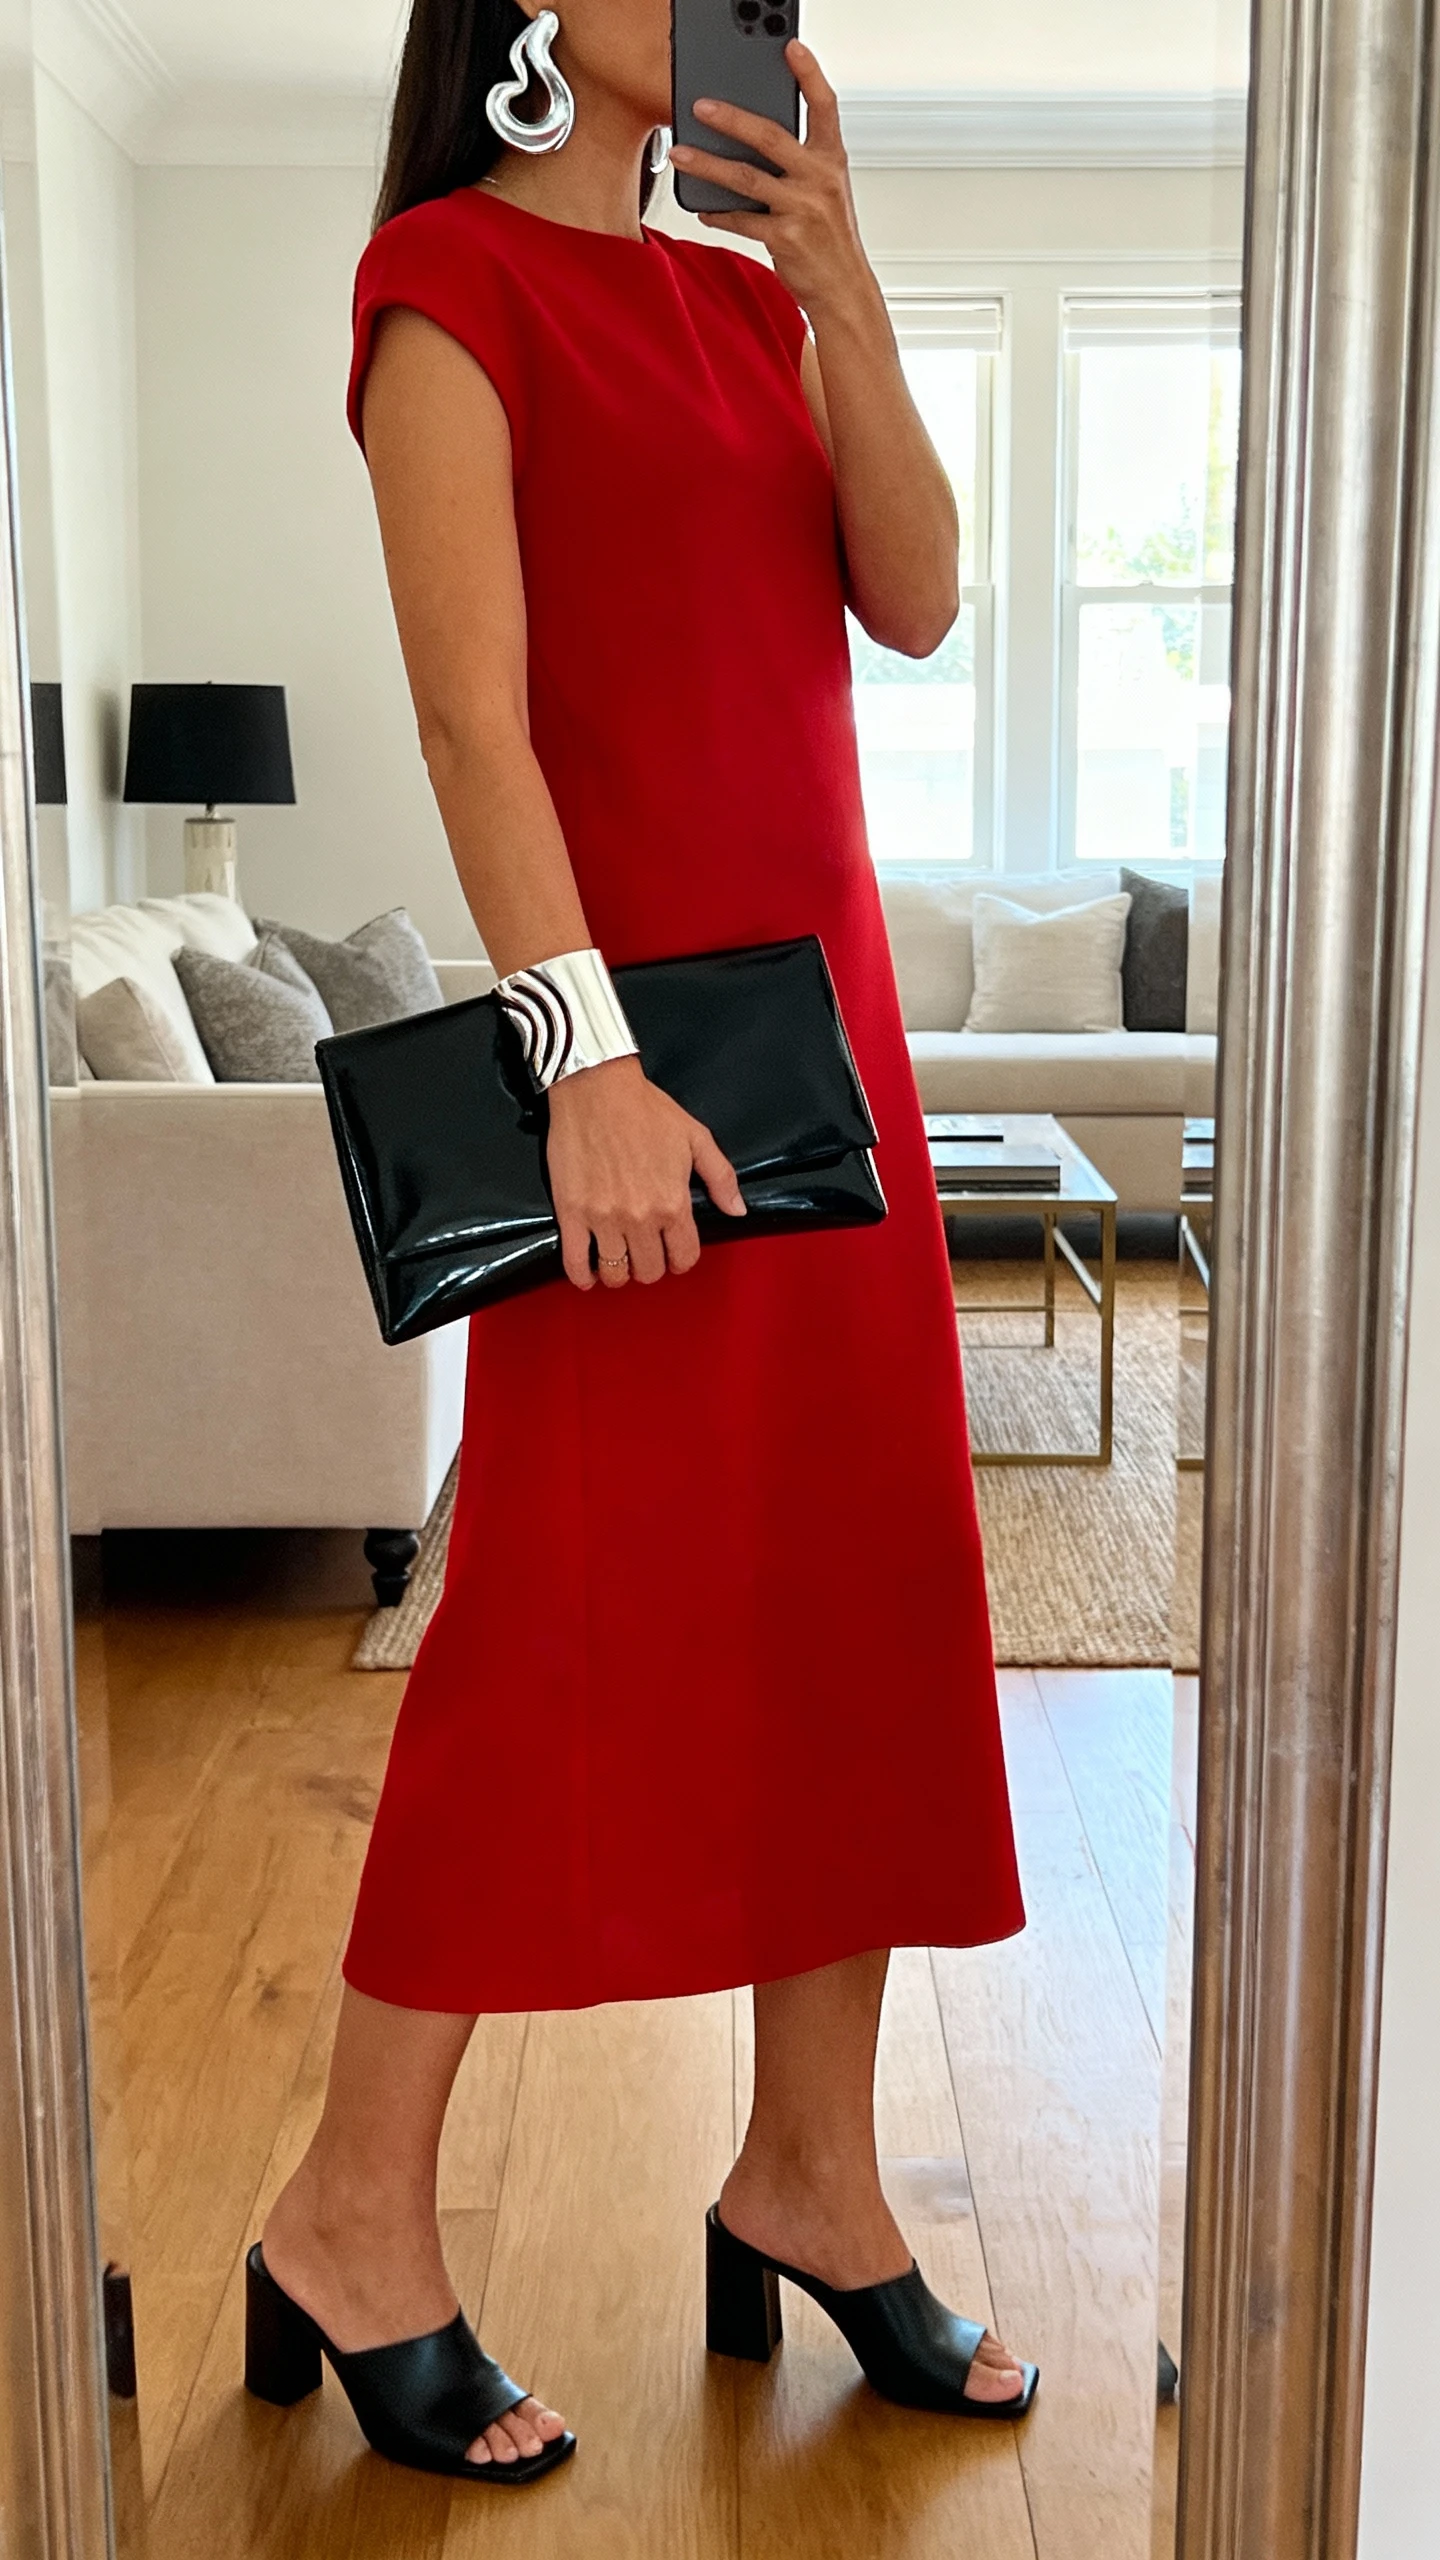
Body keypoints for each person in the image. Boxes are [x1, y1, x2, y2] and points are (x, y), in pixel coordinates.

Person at [244, 0, 1034, 2484]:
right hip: (629, 1082)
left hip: (832, 1056)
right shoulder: (444, 283)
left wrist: (843, 275)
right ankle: (351, 2212)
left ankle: (810, 2165)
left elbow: (917, 597)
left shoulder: (740, 296)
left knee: (860, 1586)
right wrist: (581, 1055)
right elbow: (471, 723)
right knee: (549, 1618)